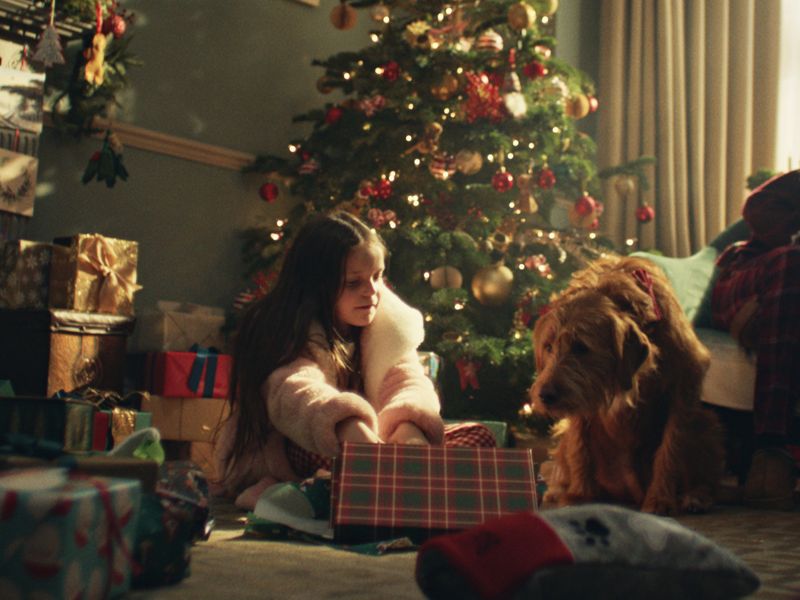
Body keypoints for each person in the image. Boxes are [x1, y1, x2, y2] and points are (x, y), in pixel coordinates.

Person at [214, 211, 494, 509]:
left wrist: (408, 428)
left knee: (478, 437)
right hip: (302, 449)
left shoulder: (387, 328)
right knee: (319, 455)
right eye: (353, 283)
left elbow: (406, 379)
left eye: (377, 276)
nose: (372, 292)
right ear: (316, 284)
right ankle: (333, 490)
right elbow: (294, 391)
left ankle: (381, 489)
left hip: (376, 447)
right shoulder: (285, 329)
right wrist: (346, 426)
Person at [711, 169, 799, 509]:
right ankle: (770, 448)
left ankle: (769, 318)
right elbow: (757, 206)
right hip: (752, 274)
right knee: (794, 262)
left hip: (778, 305)